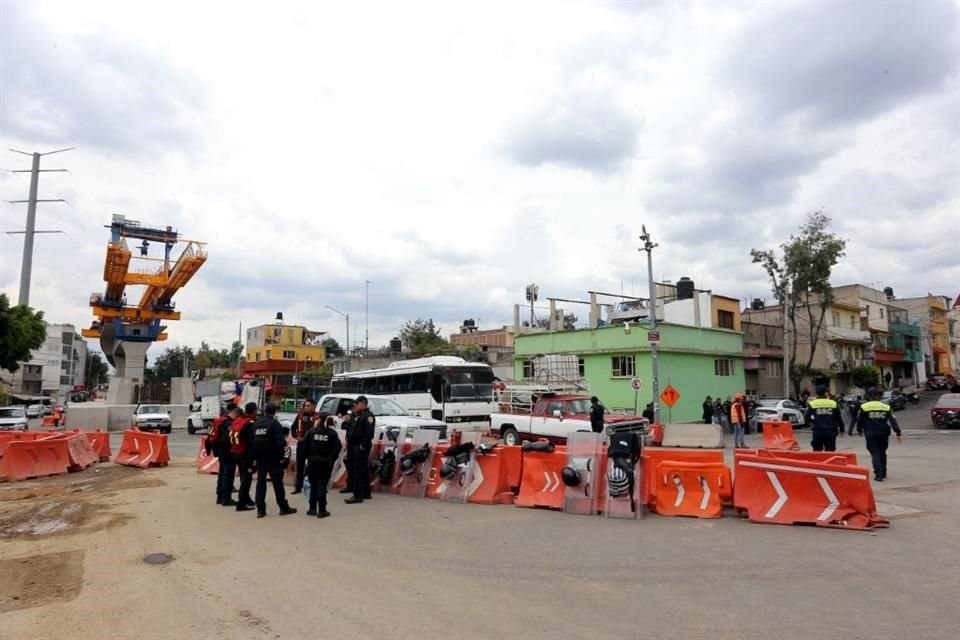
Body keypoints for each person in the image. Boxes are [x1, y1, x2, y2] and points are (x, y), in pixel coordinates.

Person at [250, 403, 297, 518]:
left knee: (261, 483)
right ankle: (283, 507)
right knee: (277, 484)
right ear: (274, 412)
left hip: (260, 457)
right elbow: (280, 443)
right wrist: (282, 458)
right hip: (273, 458)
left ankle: (260, 509)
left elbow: (252, 441)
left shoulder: (257, 423)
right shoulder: (275, 424)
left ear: (265, 411)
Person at [856, 387, 902, 482]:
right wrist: (898, 432)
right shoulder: (886, 406)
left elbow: (859, 420)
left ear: (868, 396)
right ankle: (883, 472)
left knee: (874, 453)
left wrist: (859, 430)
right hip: (883, 432)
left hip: (870, 432)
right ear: (878, 396)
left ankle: (878, 474)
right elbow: (892, 420)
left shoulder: (864, 406)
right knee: (882, 452)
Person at [303, 414, 342, 518]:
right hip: (325, 463)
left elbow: (305, 447)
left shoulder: (311, 432)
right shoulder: (332, 434)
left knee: (314, 485)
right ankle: (322, 510)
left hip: (313, 462)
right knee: (322, 485)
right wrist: (331, 459)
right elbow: (337, 447)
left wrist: (309, 458)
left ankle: (312, 508)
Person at [345, 396, 376, 504]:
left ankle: (358, 495)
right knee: (360, 469)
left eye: (357, 404)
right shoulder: (357, 415)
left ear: (363, 404)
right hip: (353, 444)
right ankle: (365, 492)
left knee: (358, 470)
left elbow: (369, 434)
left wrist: (363, 445)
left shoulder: (368, 416)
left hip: (360, 445)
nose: (355, 406)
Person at [206, 403, 239, 506]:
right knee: (228, 474)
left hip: (219, 450)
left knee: (222, 473)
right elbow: (229, 438)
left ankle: (219, 497)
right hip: (227, 451)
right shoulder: (228, 423)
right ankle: (226, 499)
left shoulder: (219, 420)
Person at [229, 402, 258, 512]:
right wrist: (253, 458)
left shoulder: (238, 420)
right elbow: (252, 442)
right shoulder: (250, 423)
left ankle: (246, 499)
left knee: (243, 476)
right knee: (246, 479)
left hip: (236, 452)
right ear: (254, 411)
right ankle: (241, 504)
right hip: (245, 455)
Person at [290, 399, 318, 494]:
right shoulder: (299, 416)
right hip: (302, 443)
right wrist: (297, 437)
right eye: (305, 406)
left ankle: (312, 486)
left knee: (313, 467)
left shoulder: (318, 417)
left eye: (309, 405)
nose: (306, 407)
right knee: (300, 466)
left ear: (314, 406)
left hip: (313, 445)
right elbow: (293, 428)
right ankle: (298, 487)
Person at [805, 385, 843, 452]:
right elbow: (838, 418)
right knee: (830, 452)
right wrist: (842, 429)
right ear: (826, 393)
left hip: (818, 431)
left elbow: (806, 417)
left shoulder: (813, 403)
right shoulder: (833, 403)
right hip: (830, 431)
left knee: (817, 452)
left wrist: (814, 421)